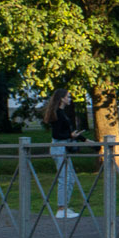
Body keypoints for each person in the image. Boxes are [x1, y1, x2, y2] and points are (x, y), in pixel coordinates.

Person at [44, 86, 79, 219]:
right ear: (62, 99)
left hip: (62, 147)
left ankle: (64, 207)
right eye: (68, 97)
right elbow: (57, 134)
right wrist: (70, 136)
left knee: (70, 178)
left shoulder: (61, 112)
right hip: (59, 148)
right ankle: (61, 209)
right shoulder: (57, 113)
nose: (69, 99)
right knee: (65, 178)